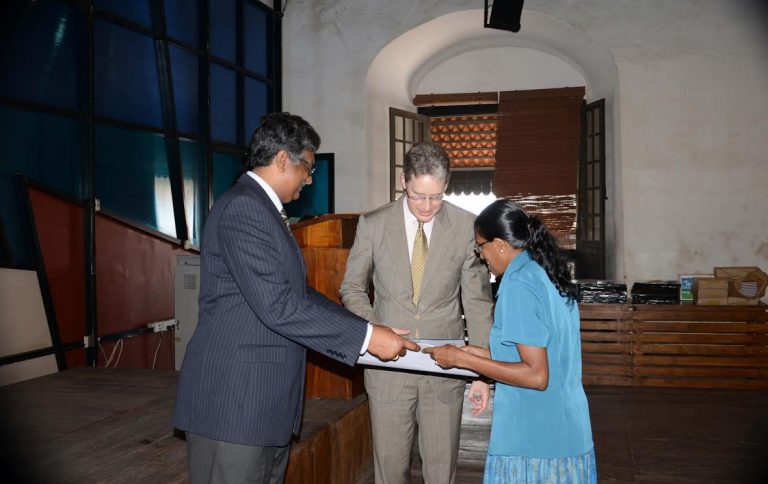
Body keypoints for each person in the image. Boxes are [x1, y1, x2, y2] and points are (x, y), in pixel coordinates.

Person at [173, 112, 418, 484]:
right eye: (308, 167)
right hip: (234, 404)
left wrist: (369, 329)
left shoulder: (263, 209)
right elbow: (278, 306)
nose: (309, 178)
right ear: (283, 159)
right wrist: (368, 339)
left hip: (261, 405)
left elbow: (298, 295)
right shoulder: (244, 208)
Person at [340, 142, 494, 484]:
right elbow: (351, 288)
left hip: (445, 368)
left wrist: (481, 372)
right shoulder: (374, 225)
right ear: (403, 182)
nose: (427, 206)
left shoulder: (466, 227)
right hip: (388, 367)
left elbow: (478, 302)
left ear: (447, 185)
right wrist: (376, 329)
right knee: (390, 470)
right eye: (418, 196)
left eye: (436, 197)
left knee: (441, 471)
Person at [424, 199, 597, 483]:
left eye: (481, 246)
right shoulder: (545, 273)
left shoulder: (519, 284)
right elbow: (532, 353)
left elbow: (536, 375)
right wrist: (472, 353)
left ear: (500, 245)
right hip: (567, 429)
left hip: (534, 439)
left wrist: (462, 360)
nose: (481, 255)